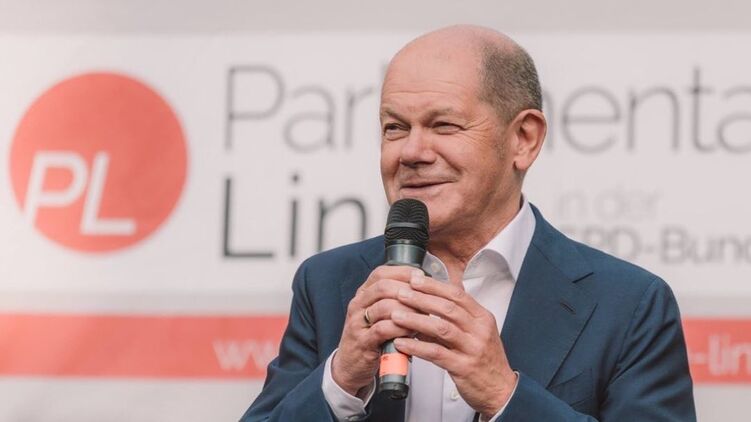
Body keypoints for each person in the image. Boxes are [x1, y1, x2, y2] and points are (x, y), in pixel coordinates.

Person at [240, 25, 696, 421]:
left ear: (524, 139)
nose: (412, 152)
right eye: (395, 127)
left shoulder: (629, 305)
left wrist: (504, 395)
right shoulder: (327, 283)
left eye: (444, 125)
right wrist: (340, 380)